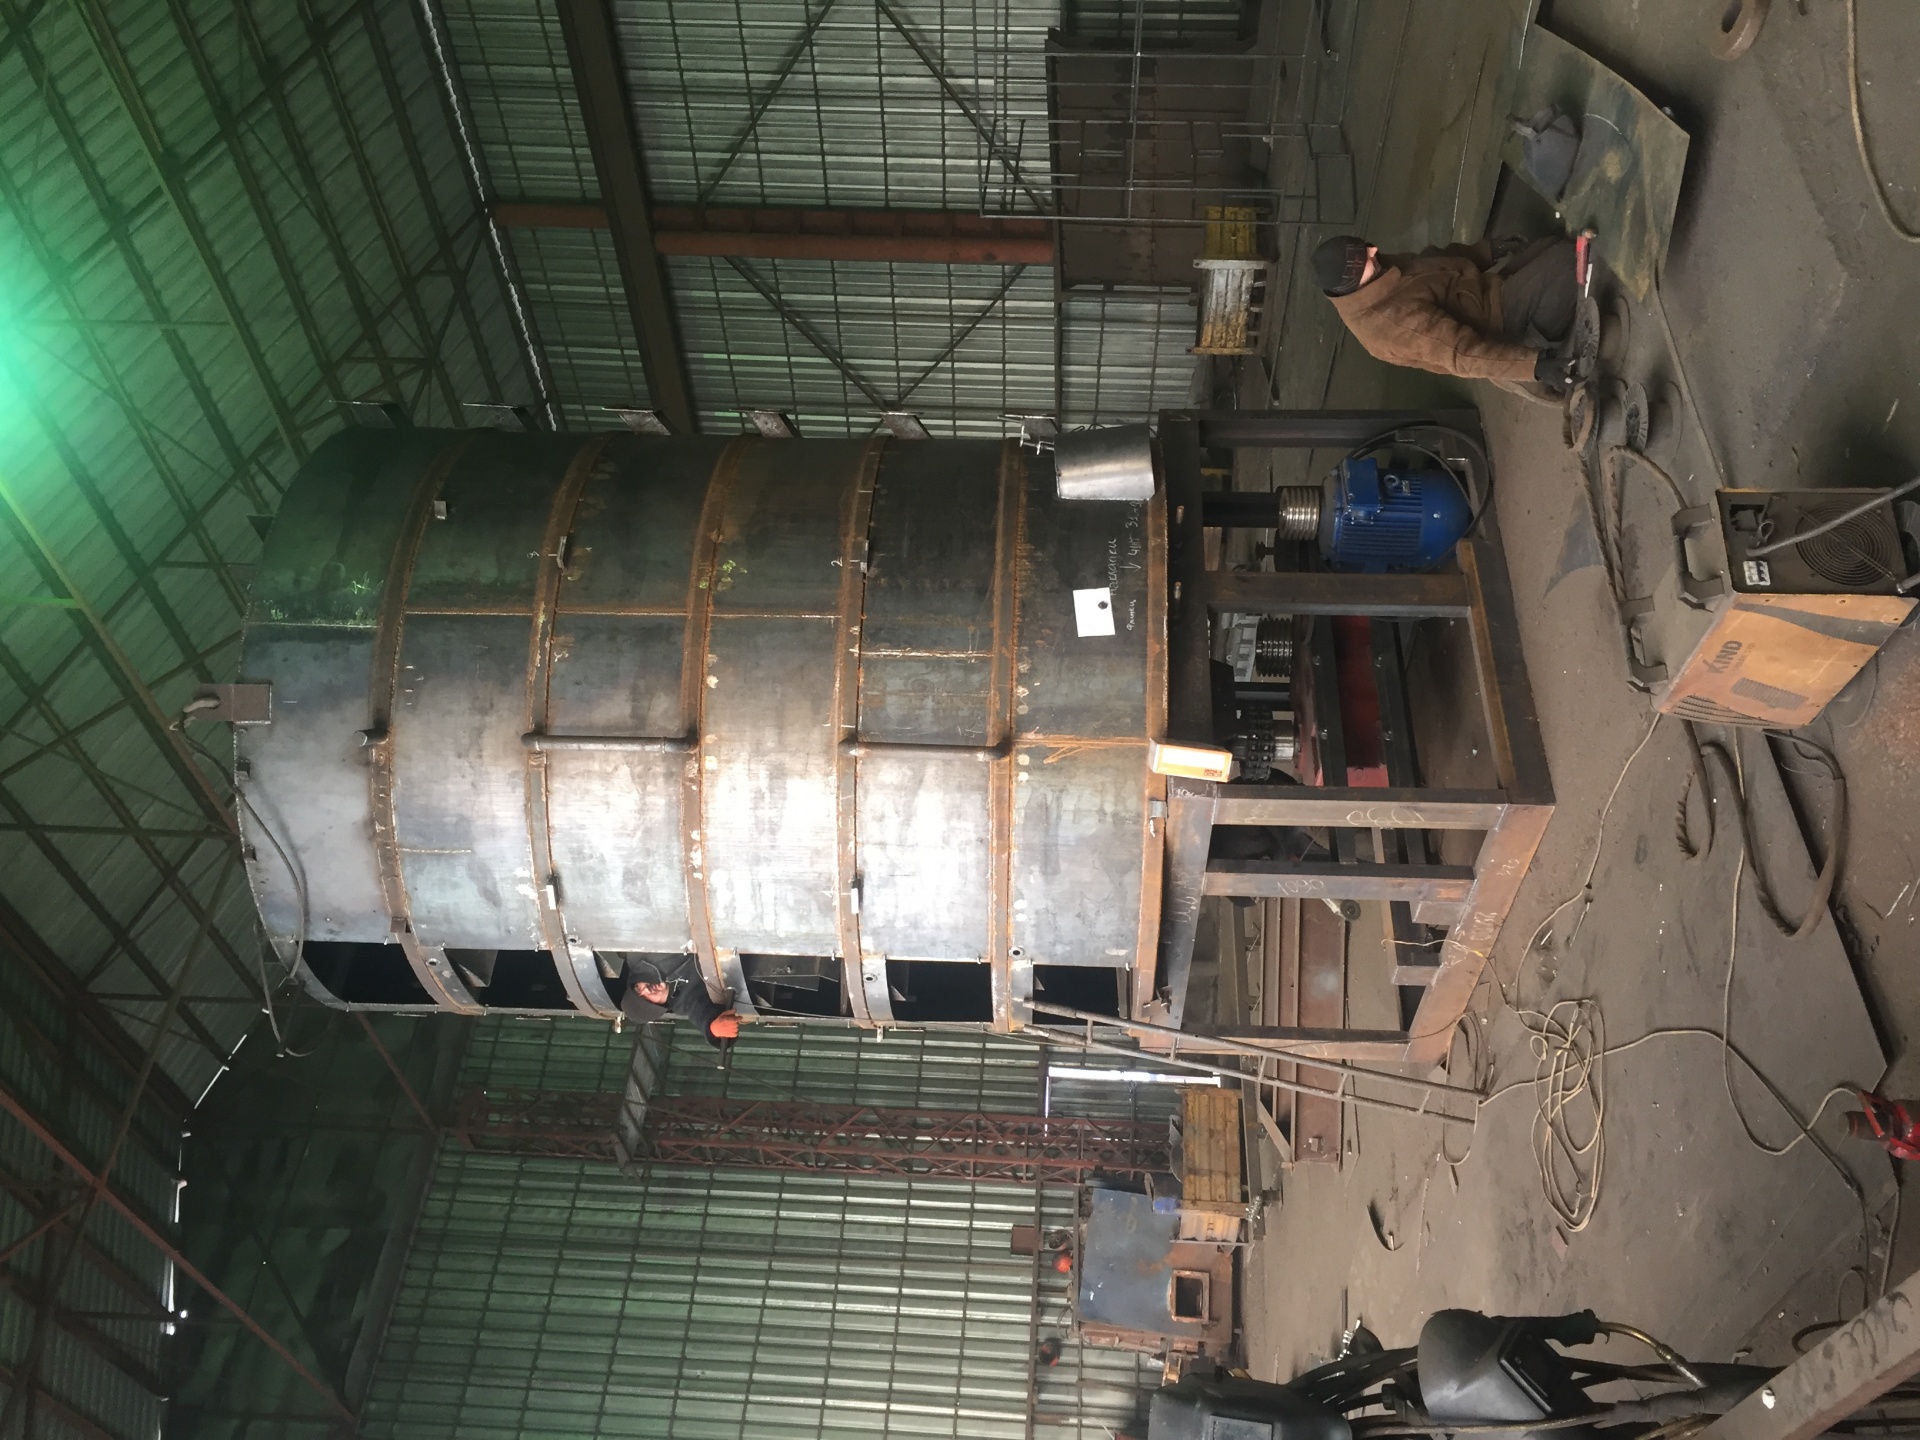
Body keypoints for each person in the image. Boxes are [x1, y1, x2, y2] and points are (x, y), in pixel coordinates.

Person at [1310, 233, 1581, 394]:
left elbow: (1430, 261)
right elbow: (1461, 354)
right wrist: (1532, 366)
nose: (1373, 250)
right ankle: (1533, 350)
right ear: (1352, 281)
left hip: (1486, 292)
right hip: (1495, 326)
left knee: (1555, 243)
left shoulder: (1375, 273)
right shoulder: (1391, 323)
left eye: (1364, 247)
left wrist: (1485, 251)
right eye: (1364, 257)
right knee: (1567, 260)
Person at [618, 954, 739, 1047]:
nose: (646, 990)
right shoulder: (684, 1002)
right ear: (656, 1008)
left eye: (638, 989)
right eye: (646, 999)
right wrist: (712, 1030)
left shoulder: (639, 955)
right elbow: (700, 1014)